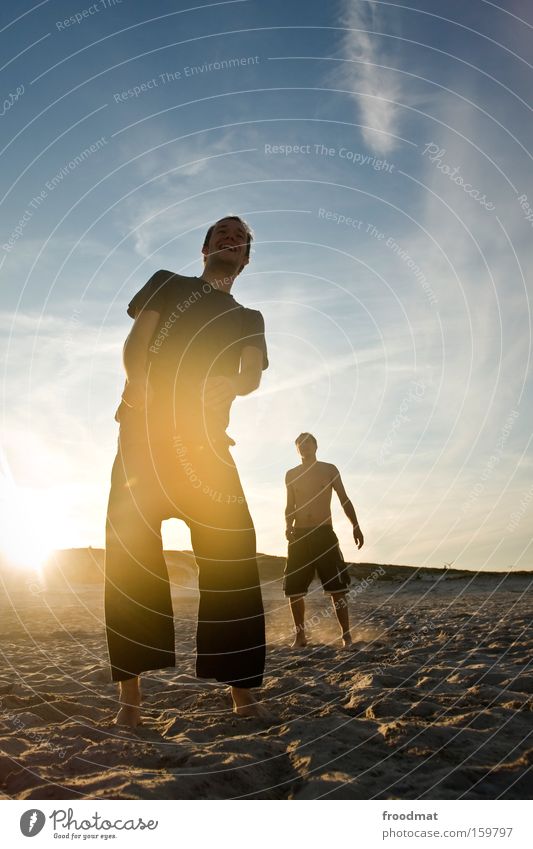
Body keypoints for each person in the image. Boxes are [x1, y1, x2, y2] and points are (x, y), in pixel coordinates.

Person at [104, 216, 270, 726]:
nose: (230, 235)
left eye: (240, 235)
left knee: (234, 558)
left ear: (245, 258)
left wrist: (234, 385)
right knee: (131, 557)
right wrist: (141, 386)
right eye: (222, 230)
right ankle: (130, 703)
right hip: (143, 438)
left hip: (206, 449)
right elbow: (137, 343)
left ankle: (243, 697)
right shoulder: (167, 284)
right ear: (205, 247)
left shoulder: (250, 317)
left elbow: (251, 373)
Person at [284, 432, 364, 649]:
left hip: (324, 533)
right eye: (300, 444)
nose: (304, 446)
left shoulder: (329, 469)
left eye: (308, 443)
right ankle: (300, 637)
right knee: (294, 589)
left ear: (316, 446)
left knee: (337, 587)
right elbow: (290, 505)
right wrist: (287, 526)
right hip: (300, 535)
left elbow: (344, 499)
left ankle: (346, 635)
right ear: (297, 449)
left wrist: (355, 525)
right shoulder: (291, 474)